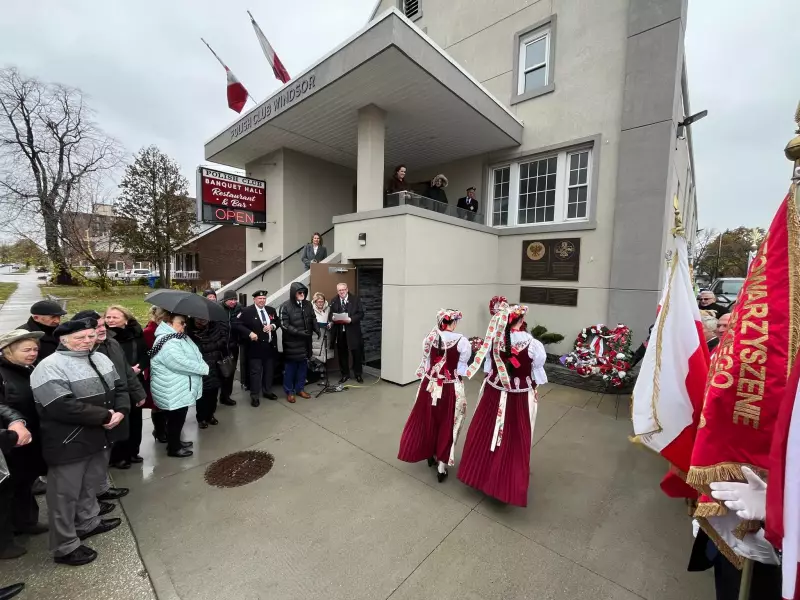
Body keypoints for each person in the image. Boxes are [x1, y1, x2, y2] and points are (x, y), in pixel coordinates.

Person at [31, 318, 126, 566]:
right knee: (64, 496)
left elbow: (120, 386)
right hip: (68, 442)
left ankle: (88, 522)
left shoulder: (100, 358)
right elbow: (61, 406)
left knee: (90, 484)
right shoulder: (49, 366)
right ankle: (65, 546)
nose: (87, 341)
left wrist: (121, 410)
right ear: (63, 340)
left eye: (91, 336)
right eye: (80, 338)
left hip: (100, 436)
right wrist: (105, 416)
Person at [457, 302, 548, 507]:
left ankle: (481, 476)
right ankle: (505, 484)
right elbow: (536, 373)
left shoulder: (496, 341)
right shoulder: (533, 345)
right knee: (514, 436)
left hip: (494, 392)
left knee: (487, 431)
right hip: (519, 396)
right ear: (522, 321)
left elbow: (489, 369)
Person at [398, 309, 470, 482]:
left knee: (428, 420)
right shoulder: (462, 341)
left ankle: (430, 453)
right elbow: (461, 369)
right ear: (453, 323)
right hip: (450, 388)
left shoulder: (429, 338)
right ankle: (441, 465)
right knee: (448, 424)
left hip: (429, 387)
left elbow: (427, 363)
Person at [0, 330, 48, 559]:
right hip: (9, 442)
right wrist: (16, 421)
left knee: (25, 482)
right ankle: (4, 541)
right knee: (7, 490)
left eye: (35, 349)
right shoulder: (2, 373)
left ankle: (27, 521)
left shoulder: (26, 369)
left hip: (29, 437)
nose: (32, 354)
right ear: (8, 350)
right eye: (26, 350)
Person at [149, 312, 207, 458]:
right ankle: (174, 448)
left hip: (178, 387)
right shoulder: (168, 341)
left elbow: (195, 354)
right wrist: (203, 368)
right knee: (176, 420)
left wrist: (200, 363)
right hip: (172, 389)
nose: (184, 325)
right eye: (181, 322)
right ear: (169, 324)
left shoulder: (178, 337)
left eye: (184, 322)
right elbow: (179, 362)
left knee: (177, 419)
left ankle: (175, 442)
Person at [104, 305, 149, 465]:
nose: (110, 320)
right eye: (108, 317)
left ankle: (133, 451)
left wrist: (140, 367)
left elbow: (146, 352)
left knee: (136, 419)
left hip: (136, 380)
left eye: (115, 317)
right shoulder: (105, 338)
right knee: (120, 419)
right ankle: (118, 457)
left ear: (125, 319)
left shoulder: (136, 333)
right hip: (116, 384)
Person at [234, 290, 279, 407]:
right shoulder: (247, 311)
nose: (262, 300)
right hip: (255, 347)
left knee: (269, 371)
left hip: (269, 346)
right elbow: (237, 324)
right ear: (254, 299)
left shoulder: (270, 310)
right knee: (256, 373)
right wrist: (249, 333)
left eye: (264, 298)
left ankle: (267, 391)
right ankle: (254, 396)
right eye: (260, 298)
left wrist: (272, 326)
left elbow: (277, 321)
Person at [279, 282, 319, 403]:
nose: (302, 294)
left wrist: (316, 329)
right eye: (299, 292)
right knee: (290, 369)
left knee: (303, 368)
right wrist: (298, 332)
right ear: (293, 293)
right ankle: (289, 392)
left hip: (305, 343)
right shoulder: (285, 306)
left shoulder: (307, 304)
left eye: (304, 292)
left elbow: (313, 318)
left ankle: (300, 389)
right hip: (292, 343)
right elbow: (283, 324)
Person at [187, 317, 228, 429]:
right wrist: (213, 345)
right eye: (199, 321)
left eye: (204, 321)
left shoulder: (215, 327)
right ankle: (201, 418)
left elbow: (224, 340)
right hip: (200, 367)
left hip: (216, 364)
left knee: (214, 393)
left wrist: (209, 347)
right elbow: (195, 349)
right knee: (202, 394)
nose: (201, 323)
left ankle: (210, 415)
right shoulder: (189, 331)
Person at [328, 283, 365, 384]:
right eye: (340, 290)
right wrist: (332, 318)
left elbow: (361, 314)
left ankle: (358, 374)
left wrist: (351, 319)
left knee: (356, 353)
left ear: (347, 289)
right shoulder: (334, 300)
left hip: (353, 331)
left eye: (343, 289)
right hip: (340, 332)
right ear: (337, 291)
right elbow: (331, 314)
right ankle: (345, 375)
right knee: (342, 354)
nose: (342, 292)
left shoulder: (355, 299)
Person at [142, 306, 168, 443]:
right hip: (155, 371)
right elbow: (147, 354)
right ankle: (159, 431)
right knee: (158, 404)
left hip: (167, 371)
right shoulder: (149, 331)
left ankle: (165, 429)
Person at [219, 290, 243, 405]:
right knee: (220, 372)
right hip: (221, 346)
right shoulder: (218, 309)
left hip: (233, 345)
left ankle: (226, 396)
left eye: (235, 299)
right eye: (231, 300)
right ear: (225, 300)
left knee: (230, 372)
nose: (233, 302)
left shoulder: (239, 308)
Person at [311, 292, 330, 361]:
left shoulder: (328, 309)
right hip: (315, 336)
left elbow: (331, 319)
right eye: (319, 302)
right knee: (317, 355)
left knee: (325, 355)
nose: (320, 303)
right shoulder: (311, 310)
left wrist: (330, 324)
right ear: (315, 302)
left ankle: (324, 370)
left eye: (322, 302)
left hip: (326, 335)